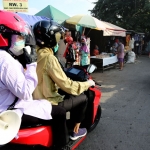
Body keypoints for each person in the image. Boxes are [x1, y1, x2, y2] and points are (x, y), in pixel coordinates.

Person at [0, 10, 68, 150]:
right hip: (9, 110)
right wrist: (32, 64)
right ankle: (61, 146)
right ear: (4, 36)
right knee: (59, 112)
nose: (22, 41)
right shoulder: (5, 60)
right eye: (18, 37)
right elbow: (25, 92)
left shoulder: (8, 57)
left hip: (8, 102)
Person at [32, 20, 95, 141]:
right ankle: (75, 131)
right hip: (47, 101)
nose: (59, 39)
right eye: (57, 36)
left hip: (34, 98)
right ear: (51, 38)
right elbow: (68, 86)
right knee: (83, 98)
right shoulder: (49, 58)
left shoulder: (33, 54)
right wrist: (88, 84)